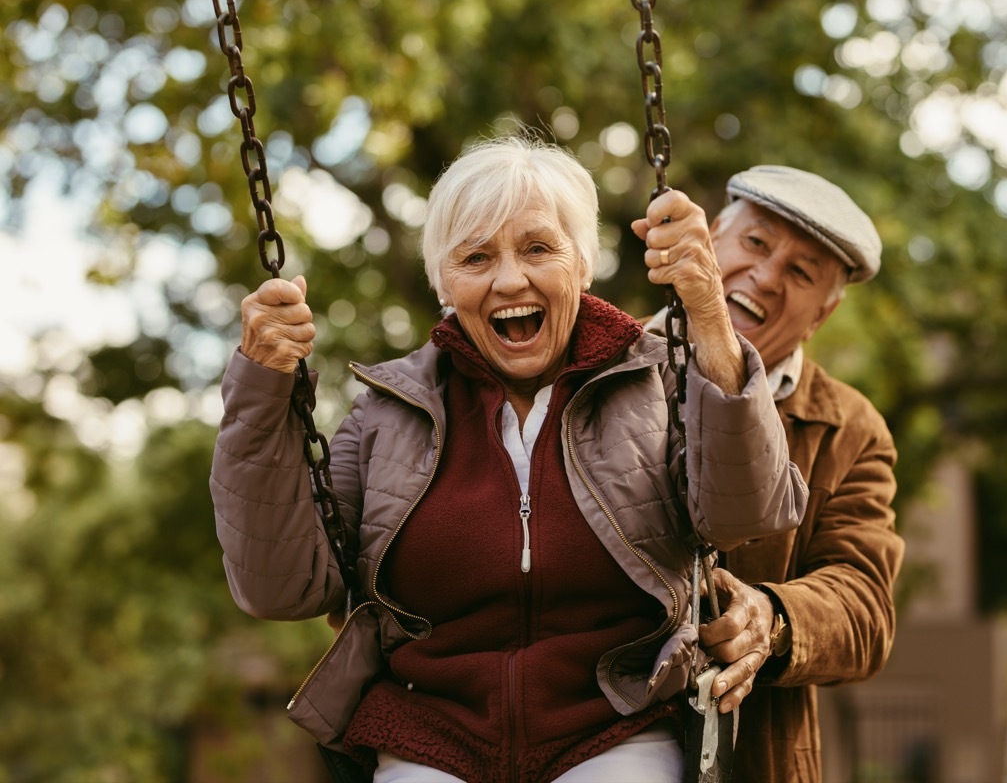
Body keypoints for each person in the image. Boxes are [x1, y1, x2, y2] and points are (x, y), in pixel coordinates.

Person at [210, 136, 808, 783]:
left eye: (538, 248)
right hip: (429, 737)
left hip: (615, 728)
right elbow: (282, 587)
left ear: (581, 264)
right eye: (475, 257)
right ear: (445, 282)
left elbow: (745, 513)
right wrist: (262, 389)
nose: (509, 279)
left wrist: (709, 320)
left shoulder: (654, 383)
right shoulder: (387, 414)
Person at [640, 165, 905, 783]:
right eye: (756, 243)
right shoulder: (598, 365)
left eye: (801, 272)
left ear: (824, 312)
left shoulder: (851, 429)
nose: (765, 276)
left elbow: (865, 607)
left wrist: (772, 616)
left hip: (752, 760)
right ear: (711, 241)